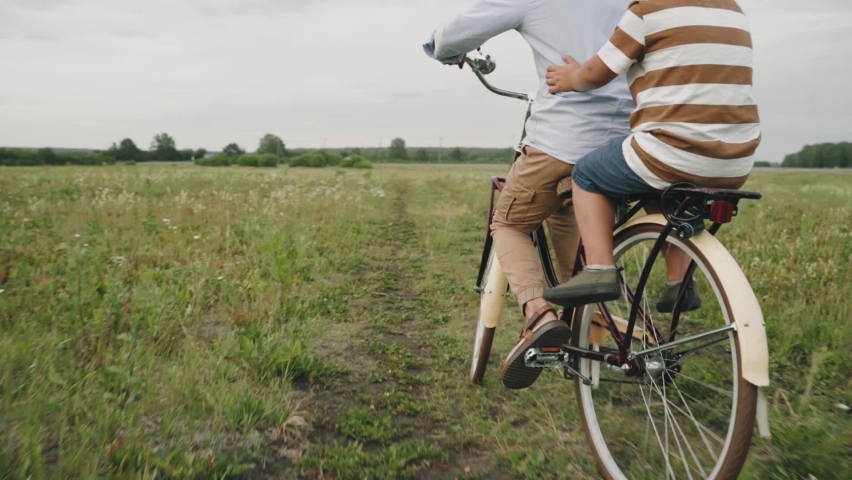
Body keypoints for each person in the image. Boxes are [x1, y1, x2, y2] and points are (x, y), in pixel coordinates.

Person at [424, 0, 637, 390]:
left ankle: (539, 315)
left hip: (564, 138)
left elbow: (452, 36)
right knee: (566, 210)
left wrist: (443, 49)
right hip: (629, 141)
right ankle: (594, 316)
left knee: (508, 224)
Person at [542, 0, 760, 307]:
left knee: (587, 174)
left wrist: (572, 77)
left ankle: (599, 270)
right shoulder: (733, 12)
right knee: (662, 191)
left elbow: (597, 72)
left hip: (671, 150)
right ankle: (679, 281)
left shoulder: (647, 10)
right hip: (735, 159)